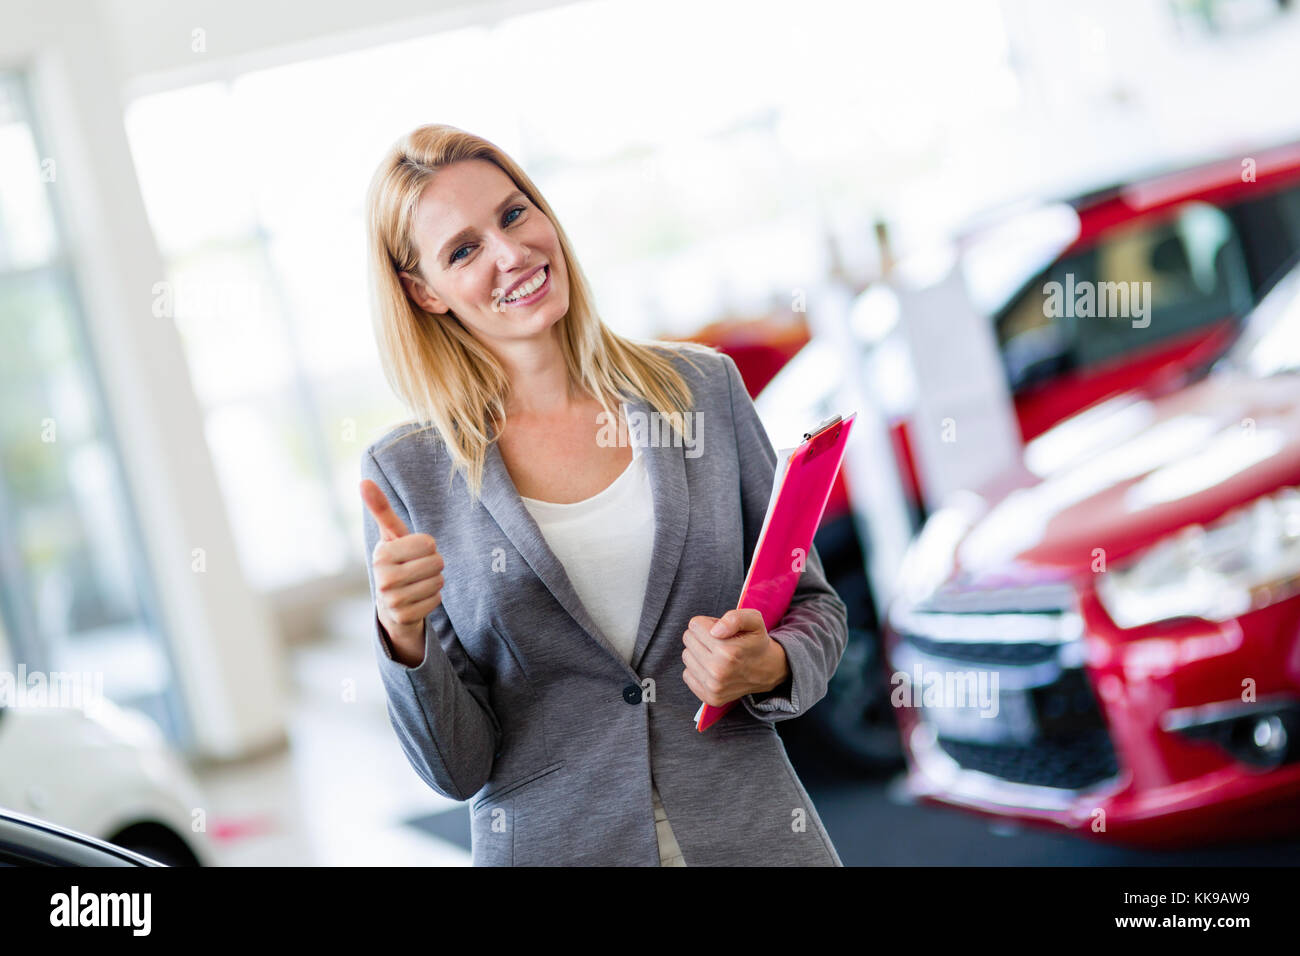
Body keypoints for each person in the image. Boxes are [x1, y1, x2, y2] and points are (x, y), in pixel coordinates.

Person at [358, 124, 848, 866]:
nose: (510, 254)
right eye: (463, 250)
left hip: (752, 835)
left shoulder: (701, 391)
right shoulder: (410, 475)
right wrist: (403, 635)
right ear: (424, 292)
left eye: (514, 214)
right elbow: (456, 769)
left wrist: (772, 662)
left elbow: (815, 606)